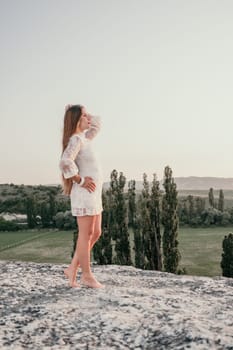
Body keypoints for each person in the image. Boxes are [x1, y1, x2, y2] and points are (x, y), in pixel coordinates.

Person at [59, 104, 103, 288]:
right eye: (84, 116)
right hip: (84, 193)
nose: (88, 118)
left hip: (94, 193)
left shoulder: (85, 139)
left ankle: (72, 268)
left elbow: (97, 124)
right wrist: (80, 179)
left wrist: (83, 112)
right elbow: (65, 162)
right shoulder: (76, 140)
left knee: (96, 232)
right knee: (86, 234)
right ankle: (86, 275)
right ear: (77, 120)